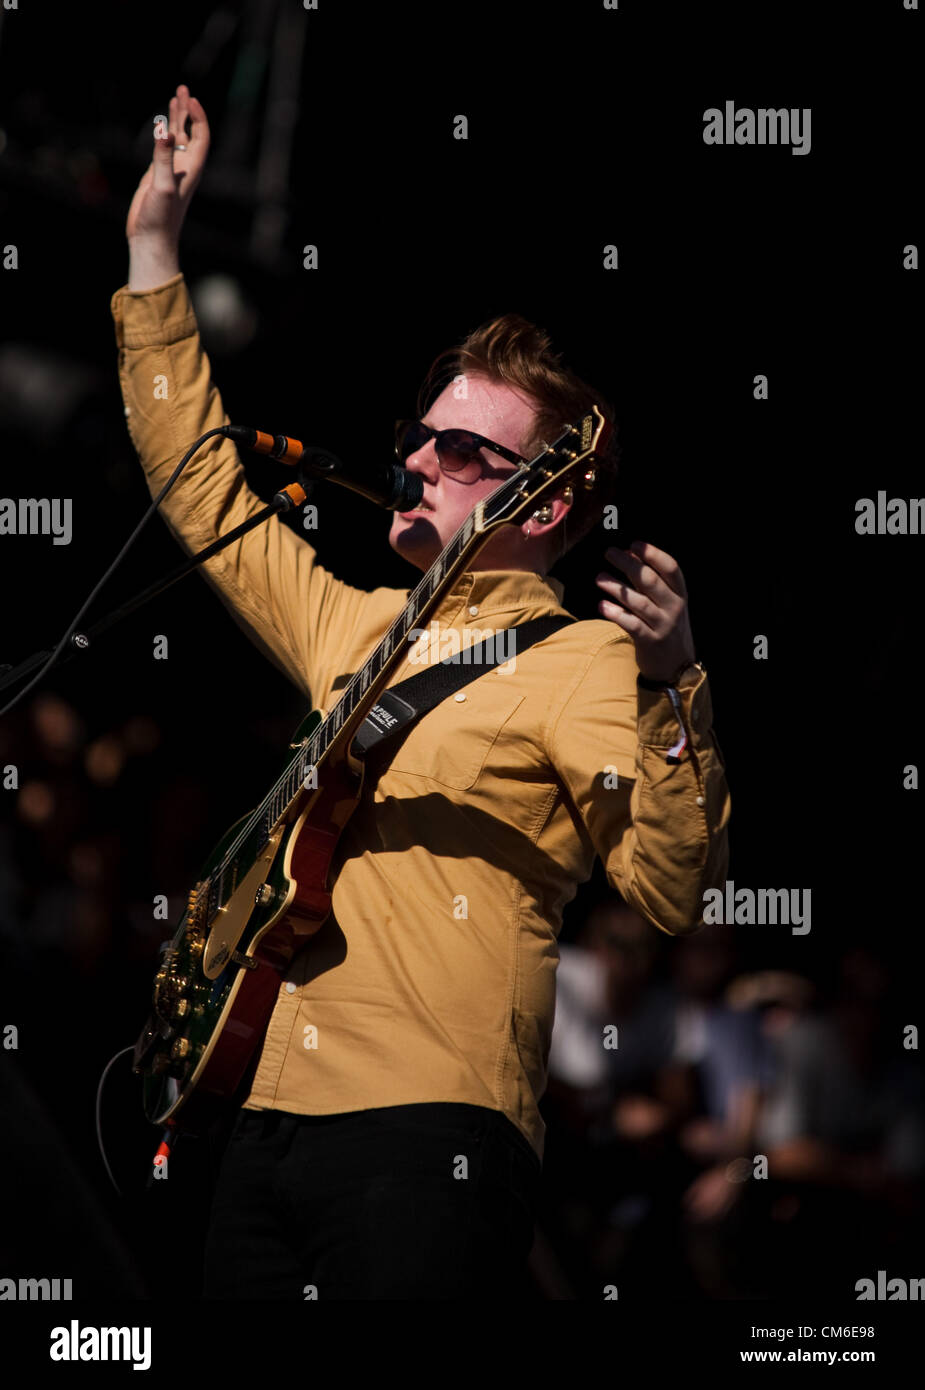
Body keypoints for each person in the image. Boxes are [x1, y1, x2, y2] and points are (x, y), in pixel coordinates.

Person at [112, 84, 731, 1300]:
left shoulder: (583, 664)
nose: (416, 461)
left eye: (459, 450)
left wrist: (673, 688)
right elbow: (202, 490)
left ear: (542, 500)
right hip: (255, 1116)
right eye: (419, 436)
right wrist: (151, 249)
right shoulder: (353, 623)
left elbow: (670, 889)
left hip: (428, 1136)